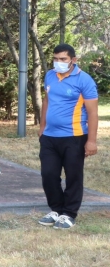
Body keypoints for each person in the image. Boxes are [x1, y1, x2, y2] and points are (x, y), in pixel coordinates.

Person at [37, 43, 99, 230]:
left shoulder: (84, 80)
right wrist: (42, 128)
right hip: (49, 137)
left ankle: (69, 213)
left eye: (63, 59)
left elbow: (93, 112)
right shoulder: (50, 75)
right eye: (55, 59)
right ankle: (56, 209)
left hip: (74, 136)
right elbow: (47, 100)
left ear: (73, 60)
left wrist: (92, 141)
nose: (59, 62)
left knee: (73, 176)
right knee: (48, 174)